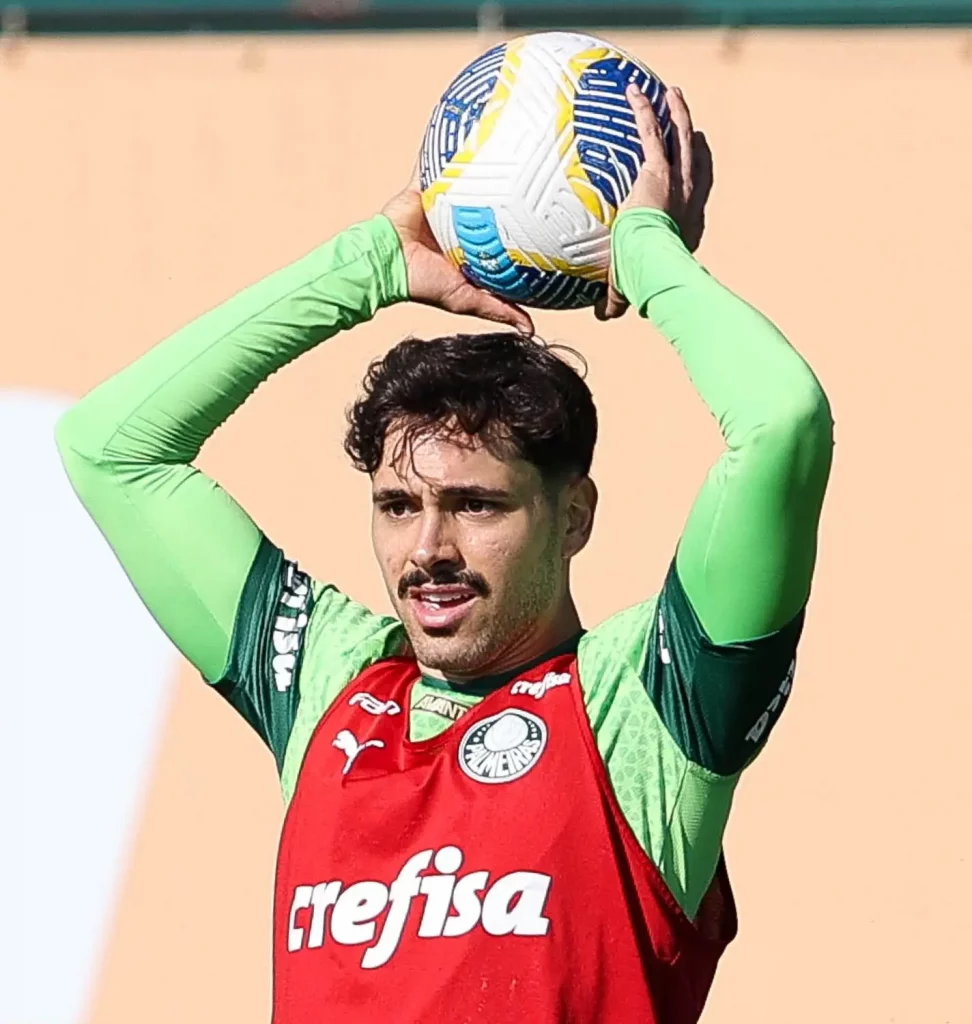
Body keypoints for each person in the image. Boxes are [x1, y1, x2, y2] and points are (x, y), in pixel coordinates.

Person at [57, 84, 833, 1023]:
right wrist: (371, 264)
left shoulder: (650, 708)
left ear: (574, 516)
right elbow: (108, 449)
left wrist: (642, 252)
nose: (427, 548)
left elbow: (782, 424)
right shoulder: (333, 681)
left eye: (474, 504)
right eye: (396, 505)